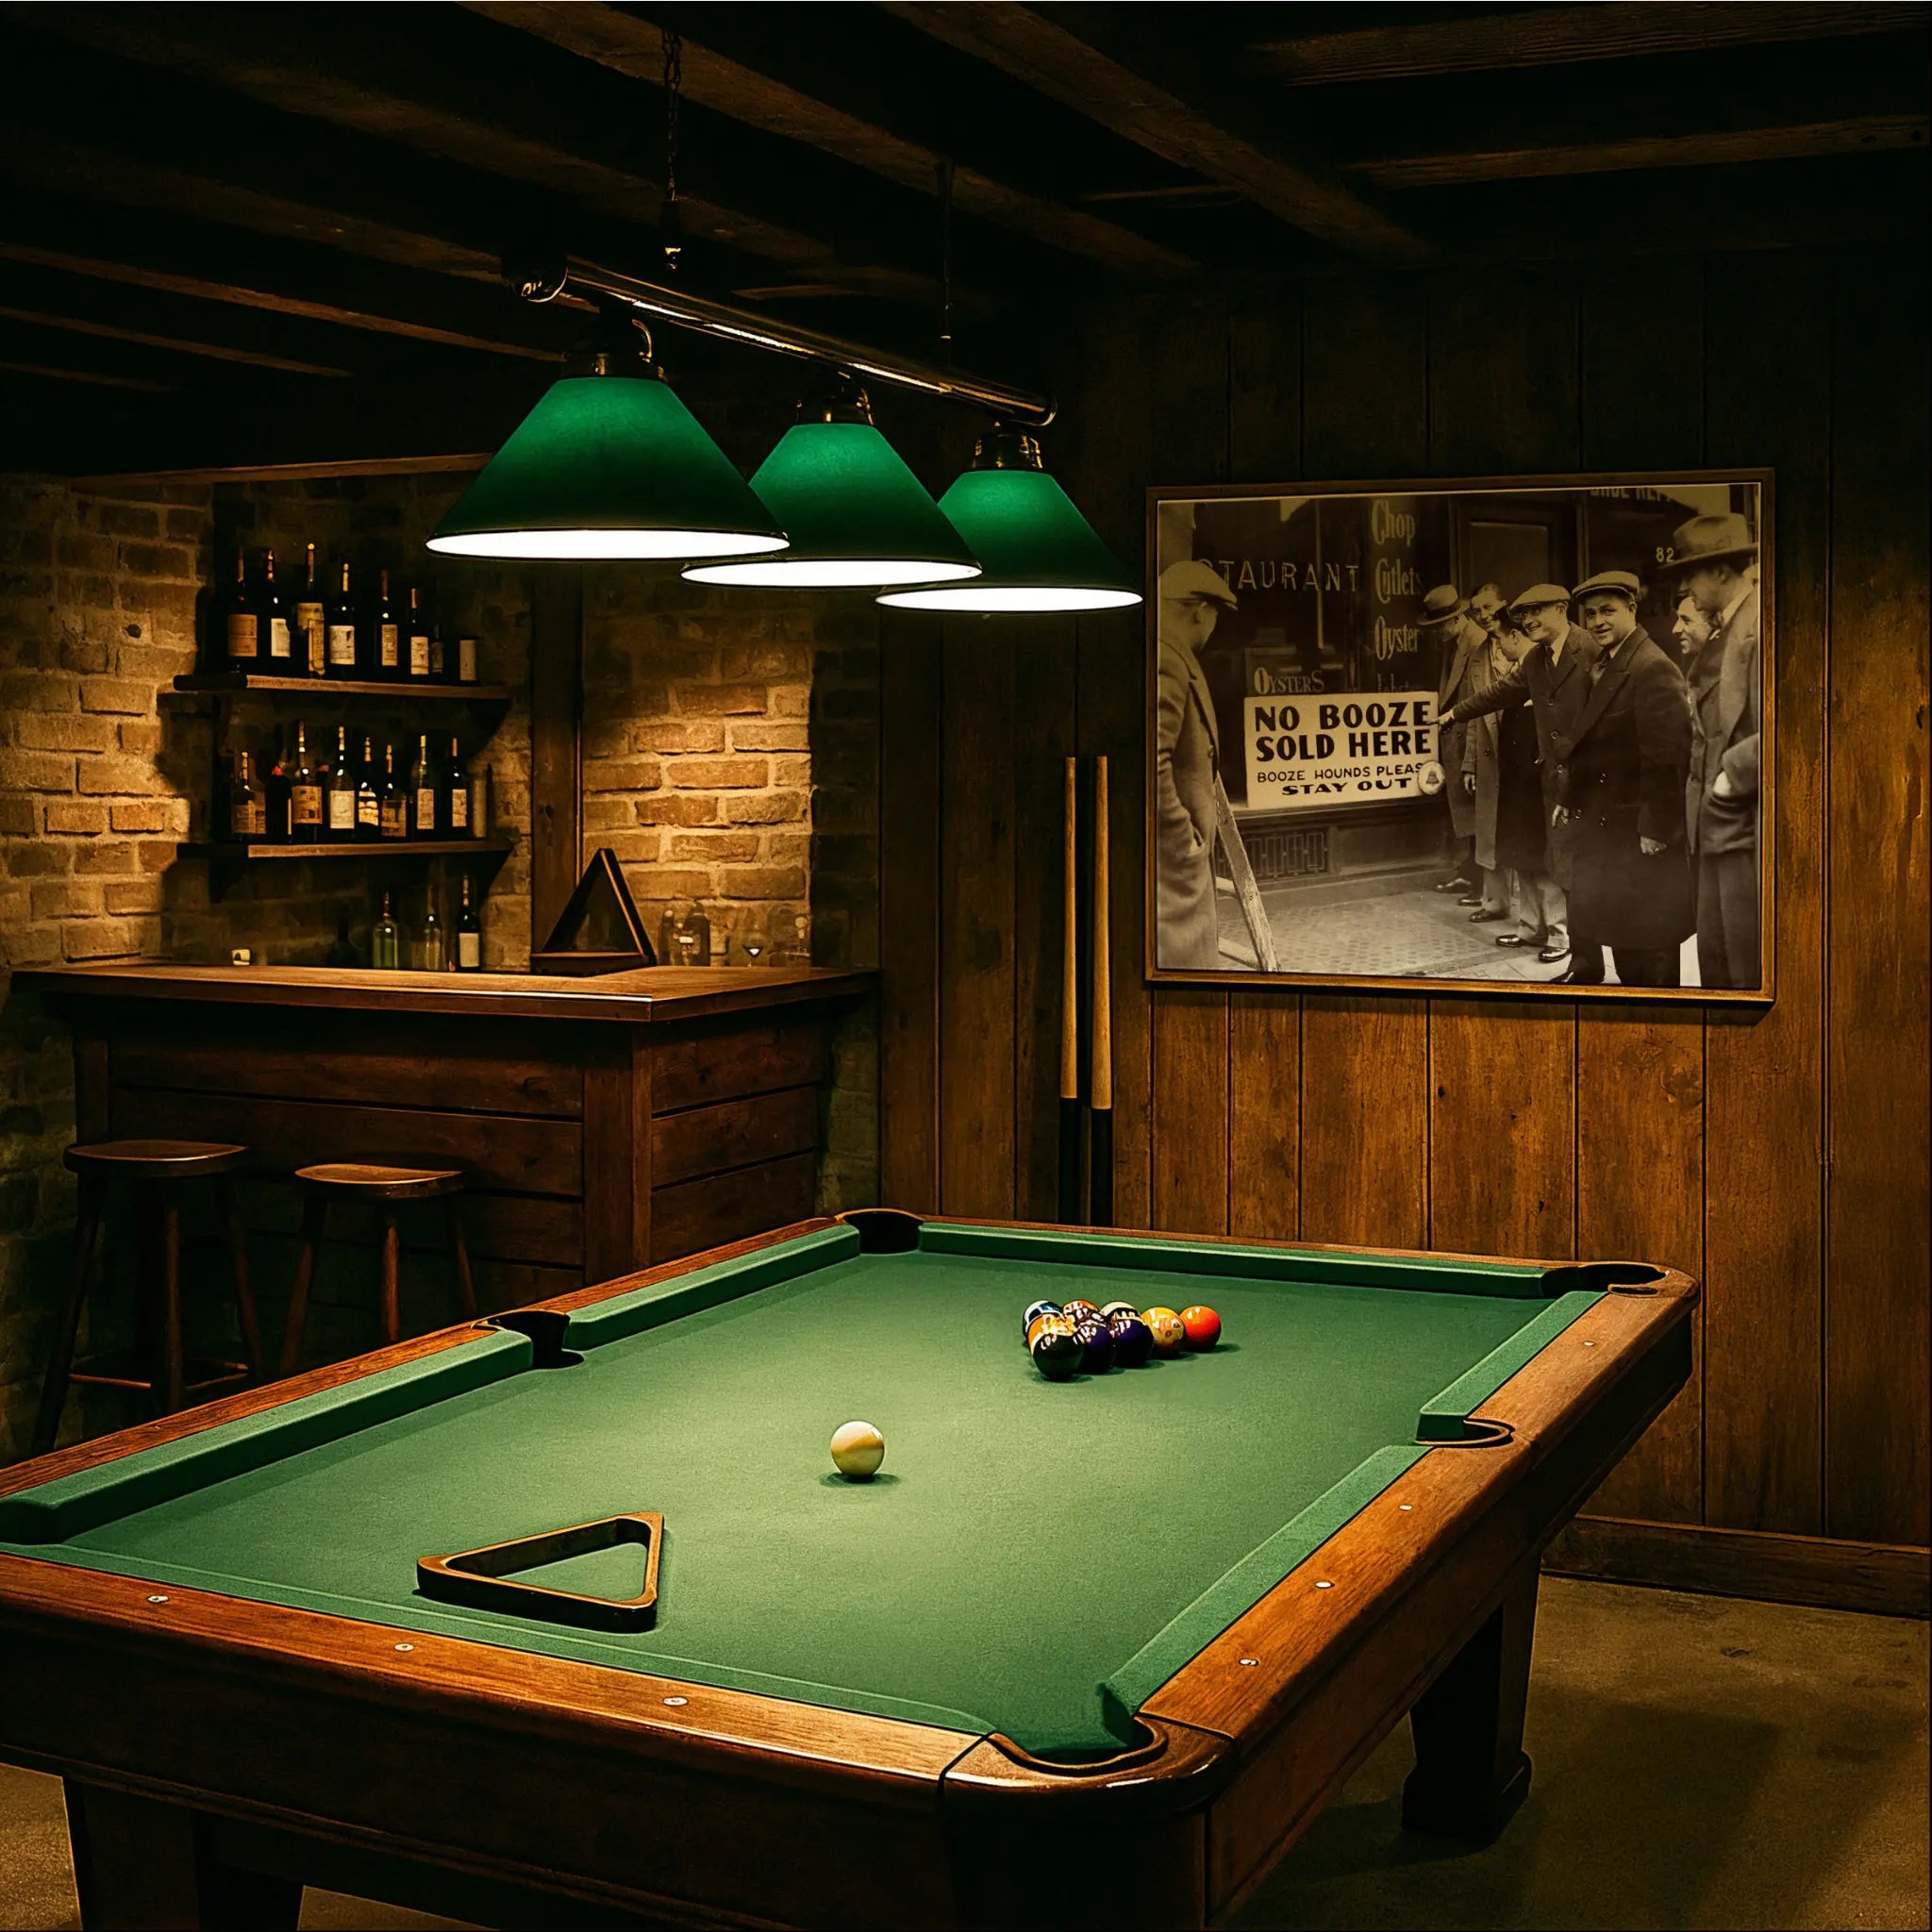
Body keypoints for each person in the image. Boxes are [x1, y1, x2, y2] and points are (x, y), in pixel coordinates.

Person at [1441, 583, 1601, 975]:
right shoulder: (1536, 658)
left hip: (1583, 780)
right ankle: (1539, 932)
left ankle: (1567, 943)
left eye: (1536, 611)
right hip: (1541, 777)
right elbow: (1500, 692)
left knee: (1568, 865)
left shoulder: (1589, 648)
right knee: (1534, 853)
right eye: (1523, 614)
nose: (1528, 620)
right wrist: (1455, 713)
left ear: (1561, 608)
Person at [1554, 571, 1694, 987]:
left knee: (1652, 935)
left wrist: (1656, 827)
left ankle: (1660, 1013)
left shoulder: (1651, 666)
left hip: (1639, 829)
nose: (1598, 621)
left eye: (1608, 611)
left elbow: (1667, 757)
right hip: (1610, 825)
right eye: (1591, 614)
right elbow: (1589, 742)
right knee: (1621, 927)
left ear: (1631, 609)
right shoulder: (1605, 662)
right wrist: (1570, 795)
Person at [1672, 513, 1762, 989]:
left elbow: (1793, 727)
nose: (1685, 585)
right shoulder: (1729, 626)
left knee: (1746, 965)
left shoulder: (1762, 625)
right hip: (1716, 825)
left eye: (1691, 573)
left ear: (1722, 572)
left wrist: (1731, 776)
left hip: (1746, 824)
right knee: (1717, 953)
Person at [1155, 559, 1237, 970]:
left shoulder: (1169, 651)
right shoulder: (1167, 657)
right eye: (1216, 615)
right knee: (1182, 967)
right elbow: (1151, 761)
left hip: (1174, 863)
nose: (1214, 626)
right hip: (1172, 866)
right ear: (1200, 611)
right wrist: (1182, 840)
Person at [1421, 584, 1487, 896]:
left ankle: (1481, 883)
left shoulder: (1477, 642)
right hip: (1457, 741)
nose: (1437, 632)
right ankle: (1469, 874)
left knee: (1476, 815)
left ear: (1457, 619)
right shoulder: (1455, 643)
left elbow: (1479, 702)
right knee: (1466, 814)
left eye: (1440, 625)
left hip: (1471, 742)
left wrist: (1471, 757)